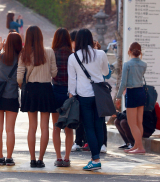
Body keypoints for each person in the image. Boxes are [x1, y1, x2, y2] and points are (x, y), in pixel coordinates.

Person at [67, 28, 109, 171]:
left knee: (88, 127)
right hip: (99, 95)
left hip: (83, 95)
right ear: (91, 40)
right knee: (99, 125)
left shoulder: (73, 57)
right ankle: (96, 157)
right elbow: (106, 72)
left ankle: (95, 158)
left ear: (78, 40)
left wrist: (71, 95)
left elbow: (72, 80)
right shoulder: (100, 53)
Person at [17, 26, 57, 168]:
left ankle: (32, 159)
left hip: (31, 89)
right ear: (41, 37)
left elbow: (19, 75)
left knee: (32, 126)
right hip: (46, 89)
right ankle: (41, 159)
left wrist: (23, 86)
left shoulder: (24, 53)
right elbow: (54, 73)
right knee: (45, 126)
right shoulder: (49, 52)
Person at [0, 32, 22, 166]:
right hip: (12, 97)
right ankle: (9, 158)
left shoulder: (1, 56)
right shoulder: (21, 58)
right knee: (10, 130)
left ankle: (0, 157)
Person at [116, 42, 148, 154]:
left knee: (132, 123)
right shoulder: (144, 64)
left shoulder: (127, 64)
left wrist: (118, 96)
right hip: (141, 91)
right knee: (139, 122)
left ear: (129, 51)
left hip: (132, 93)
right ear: (140, 52)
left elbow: (123, 82)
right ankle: (137, 145)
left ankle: (140, 147)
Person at [51, 28, 74, 167]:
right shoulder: (72, 55)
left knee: (56, 127)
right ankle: (67, 158)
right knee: (69, 128)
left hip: (55, 92)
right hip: (69, 94)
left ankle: (58, 158)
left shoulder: (52, 54)